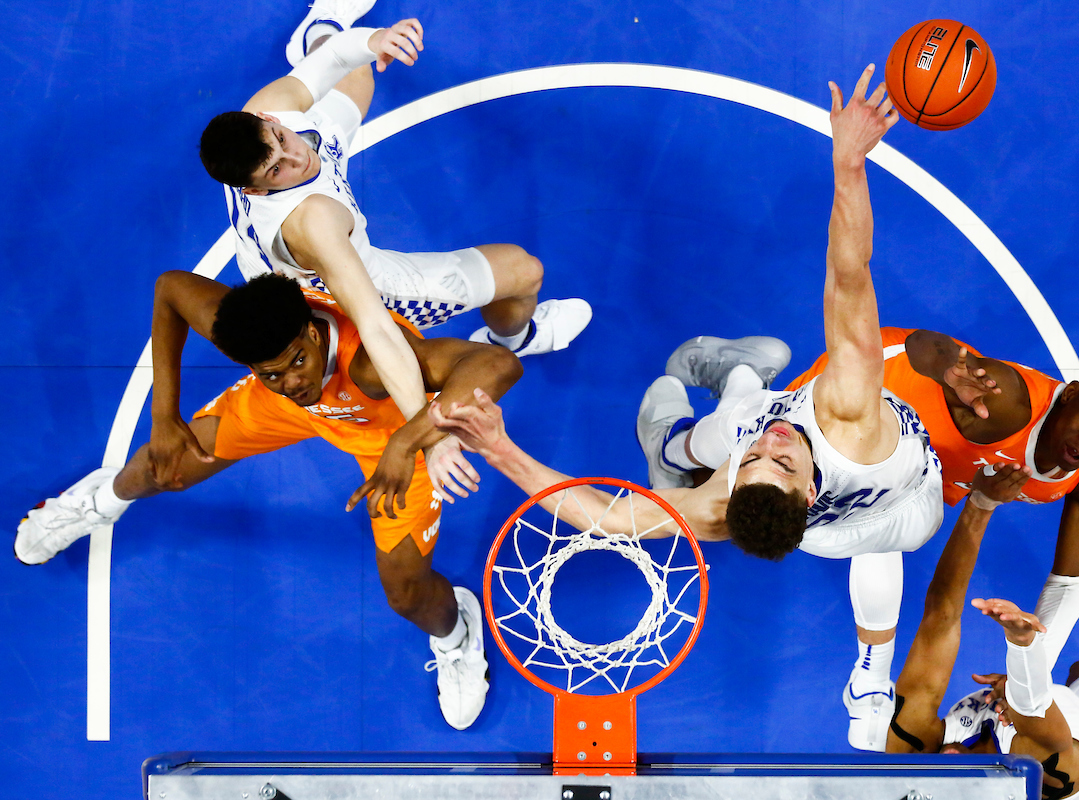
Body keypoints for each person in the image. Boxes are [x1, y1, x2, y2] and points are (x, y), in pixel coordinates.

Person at [430, 65, 945, 752]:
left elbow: (604, 517)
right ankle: (701, 419)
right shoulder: (844, 411)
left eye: (760, 460)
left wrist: (501, 450)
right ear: (805, 491)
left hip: (870, 514)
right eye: (774, 459)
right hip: (907, 488)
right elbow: (847, 280)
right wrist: (849, 164)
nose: (772, 444)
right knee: (770, 443)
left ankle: (684, 429)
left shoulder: (729, 498)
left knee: (746, 428)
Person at [16, 271, 522, 730]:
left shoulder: (370, 362)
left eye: (297, 362)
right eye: (272, 372)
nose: (293, 382)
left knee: (406, 594)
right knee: (166, 464)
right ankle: (97, 501)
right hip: (286, 414)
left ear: (313, 332)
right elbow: (170, 288)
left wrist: (406, 443)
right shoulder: (257, 338)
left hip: (390, 438)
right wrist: (164, 415)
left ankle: (456, 634)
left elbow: (497, 362)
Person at [199, 1, 591, 501]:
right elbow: (377, 327)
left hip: (274, 265)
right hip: (347, 279)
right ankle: (514, 336)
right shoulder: (315, 222)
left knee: (355, 70)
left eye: (281, 138)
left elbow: (328, 64)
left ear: (265, 122)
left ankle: (319, 27)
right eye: (276, 168)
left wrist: (374, 39)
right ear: (255, 189)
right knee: (523, 271)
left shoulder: (268, 113)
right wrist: (428, 433)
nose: (296, 155)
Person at [787, 328, 1079, 669]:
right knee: (767, 497)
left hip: (920, 462)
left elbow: (1069, 583)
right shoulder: (1005, 401)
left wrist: (1029, 674)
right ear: (1071, 394)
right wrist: (949, 369)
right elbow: (922, 344)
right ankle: (753, 379)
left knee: (882, 511)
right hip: (870, 389)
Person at [888, 463, 1079, 800]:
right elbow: (1033, 707)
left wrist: (980, 504)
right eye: (960, 783)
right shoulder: (1042, 769)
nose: (949, 768)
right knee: (1078, 671)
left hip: (1056, 727)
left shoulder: (911, 752)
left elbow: (940, 616)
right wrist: (1021, 644)